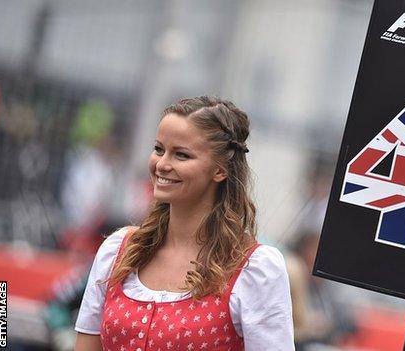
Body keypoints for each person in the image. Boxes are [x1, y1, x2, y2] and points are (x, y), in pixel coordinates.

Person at [73, 96, 294, 351]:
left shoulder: (255, 269)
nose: (162, 164)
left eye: (181, 155)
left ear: (220, 170)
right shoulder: (119, 251)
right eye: (158, 149)